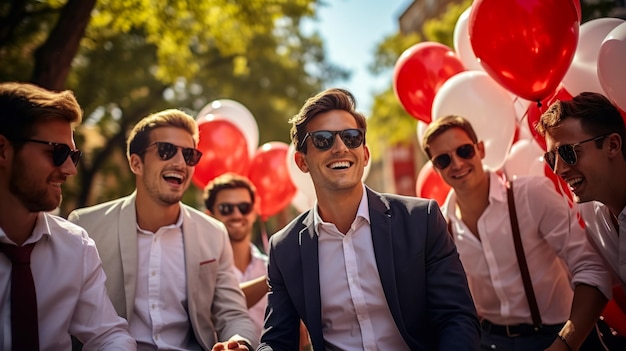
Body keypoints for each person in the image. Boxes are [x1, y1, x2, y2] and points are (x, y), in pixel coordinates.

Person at [258, 88, 480, 351]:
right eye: (323, 140)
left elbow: (456, 318)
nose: (340, 148)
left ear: (365, 154)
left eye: (351, 138)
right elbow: (277, 341)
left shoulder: (422, 220)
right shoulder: (284, 249)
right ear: (302, 161)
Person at [68, 109, 256, 350]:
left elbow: (233, 313)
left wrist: (238, 342)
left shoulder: (213, 233)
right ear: (136, 163)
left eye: (189, 155)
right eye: (166, 151)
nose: (179, 162)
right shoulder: (86, 227)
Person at [421, 114, 612, 351]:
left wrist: (564, 344)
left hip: (559, 333)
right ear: (436, 169)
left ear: (480, 149)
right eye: (443, 160)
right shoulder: (439, 227)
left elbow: (591, 267)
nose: (457, 164)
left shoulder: (531, 195)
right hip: (489, 341)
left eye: (464, 151)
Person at [0, 82, 136, 350]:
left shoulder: (76, 246)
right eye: (57, 153)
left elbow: (109, 335)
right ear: (2, 150)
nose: (69, 170)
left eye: (73, 156)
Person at [536, 92, 626, 290]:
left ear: (612, 145)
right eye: (552, 158)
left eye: (569, 152)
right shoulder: (591, 213)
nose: (558, 169)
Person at [203, 173, 267, 340]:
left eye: (244, 207)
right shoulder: (201, 270)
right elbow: (215, 308)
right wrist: (274, 278)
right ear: (209, 216)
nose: (237, 215)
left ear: (254, 212)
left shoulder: (269, 265)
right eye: (226, 209)